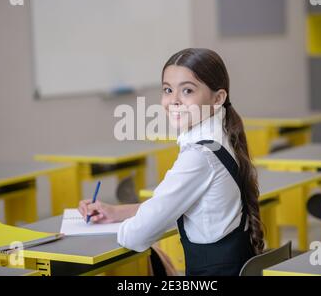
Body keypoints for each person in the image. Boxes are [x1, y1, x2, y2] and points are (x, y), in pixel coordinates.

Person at [79, 48, 264, 275]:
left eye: (187, 90)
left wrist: (106, 232)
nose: (173, 100)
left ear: (218, 98)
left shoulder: (199, 156)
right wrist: (116, 213)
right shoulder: (220, 138)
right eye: (167, 90)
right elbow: (168, 206)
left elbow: (136, 236)